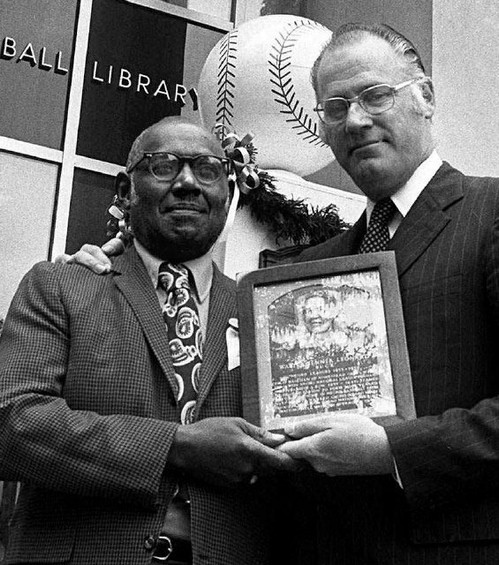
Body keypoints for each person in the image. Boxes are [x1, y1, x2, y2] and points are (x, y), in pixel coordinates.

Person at [0, 117, 305, 565]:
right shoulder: (61, 286)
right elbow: (10, 424)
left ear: (228, 193)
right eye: (163, 166)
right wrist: (175, 446)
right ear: (125, 190)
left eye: (207, 169)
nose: (187, 182)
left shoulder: (269, 310)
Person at [277, 22, 499, 564]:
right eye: (335, 107)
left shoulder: (490, 215)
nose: (355, 119)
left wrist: (391, 452)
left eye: (376, 95)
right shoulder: (312, 270)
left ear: (424, 98)